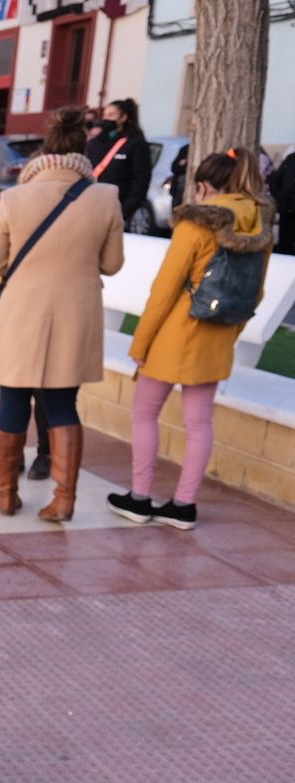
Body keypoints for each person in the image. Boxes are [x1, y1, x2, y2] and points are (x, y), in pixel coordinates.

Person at [109, 149, 274, 530]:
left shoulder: (195, 224)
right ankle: (184, 506)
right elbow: (256, 294)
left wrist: (141, 343)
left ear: (203, 185)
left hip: (175, 334)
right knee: (199, 424)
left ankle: (139, 498)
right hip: (217, 338)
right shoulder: (259, 228)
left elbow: (164, 290)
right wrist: (230, 333)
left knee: (145, 413)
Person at [0, 107, 123, 524]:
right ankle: (64, 500)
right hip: (76, 316)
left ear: (44, 153)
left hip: (19, 314)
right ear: (82, 152)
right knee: (62, 406)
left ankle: (7, 496)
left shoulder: (14, 197)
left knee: (11, 403)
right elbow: (112, 265)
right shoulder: (105, 197)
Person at [84, 98, 152, 229]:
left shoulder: (136, 143)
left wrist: (125, 211)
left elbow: (141, 179)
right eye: (104, 115)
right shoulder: (96, 142)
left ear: (123, 117)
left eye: (111, 115)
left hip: (117, 208)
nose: (106, 119)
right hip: (91, 205)